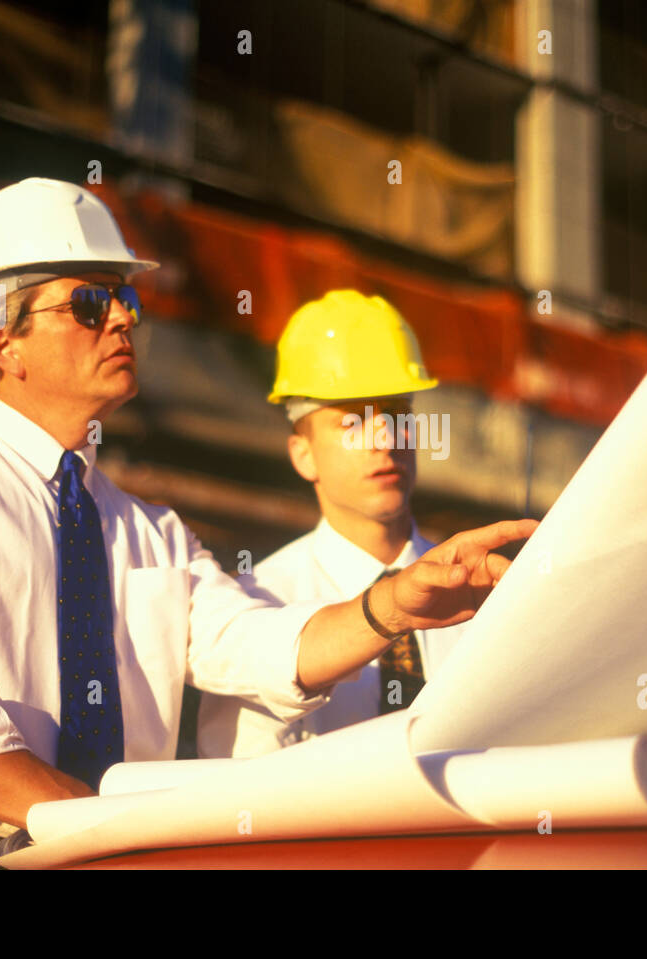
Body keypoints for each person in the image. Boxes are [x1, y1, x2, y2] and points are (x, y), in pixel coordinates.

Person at [0, 179, 535, 868]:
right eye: (89, 302)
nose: (122, 317)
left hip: (90, 847)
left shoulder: (150, 530)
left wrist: (390, 605)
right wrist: (94, 825)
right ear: (2, 339)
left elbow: (249, 641)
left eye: (125, 301)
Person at [198, 290, 472, 758]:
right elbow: (244, 800)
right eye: (352, 424)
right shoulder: (257, 608)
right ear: (302, 454)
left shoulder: (479, 593)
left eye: (396, 415)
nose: (383, 439)